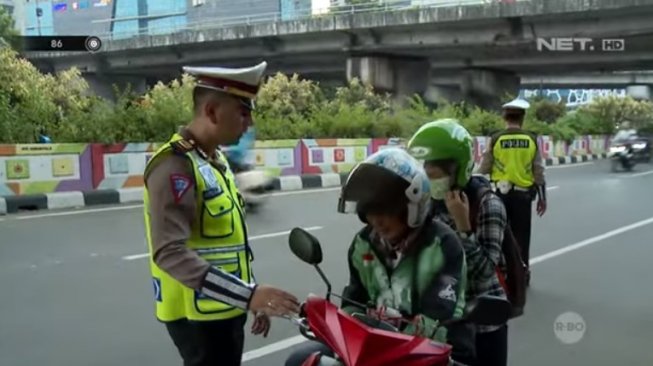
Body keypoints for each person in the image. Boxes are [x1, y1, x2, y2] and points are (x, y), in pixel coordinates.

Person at [143, 61, 300, 366]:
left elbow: (230, 244)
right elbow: (169, 252)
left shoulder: (216, 162)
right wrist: (247, 295)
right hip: (197, 316)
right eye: (243, 112)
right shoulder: (175, 166)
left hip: (224, 307)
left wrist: (249, 296)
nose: (249, 122)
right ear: (213, 112)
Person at [286, 147, 472, 365]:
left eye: (387, 210)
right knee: (300, 360)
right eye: (371, 211)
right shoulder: (363, 244)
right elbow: (355, 299)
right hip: (373, 347)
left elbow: (438, 315)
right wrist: (341, 330)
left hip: (435, 352)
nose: (377, 221)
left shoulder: (441, 245)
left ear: (411, 207)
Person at [408, 119, 517, 366]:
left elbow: (484, 271)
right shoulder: (428, 204)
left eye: (433, 168)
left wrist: (462, 226)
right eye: (424, 166)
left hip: (483, 323)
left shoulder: (487, 205)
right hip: (442, 322)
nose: (426, 173)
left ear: (456, 168)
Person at [477, 98, 547, 286]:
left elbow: (484, 168)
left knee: (499, 236)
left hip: (499, 196)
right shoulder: (531, 139)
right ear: (522, 118)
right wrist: (542, 197)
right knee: (522, 237)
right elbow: (538, 171)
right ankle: (522, 273)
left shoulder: (496, 138)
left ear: (504, 117)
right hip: (523, 197)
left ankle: (503, 273)